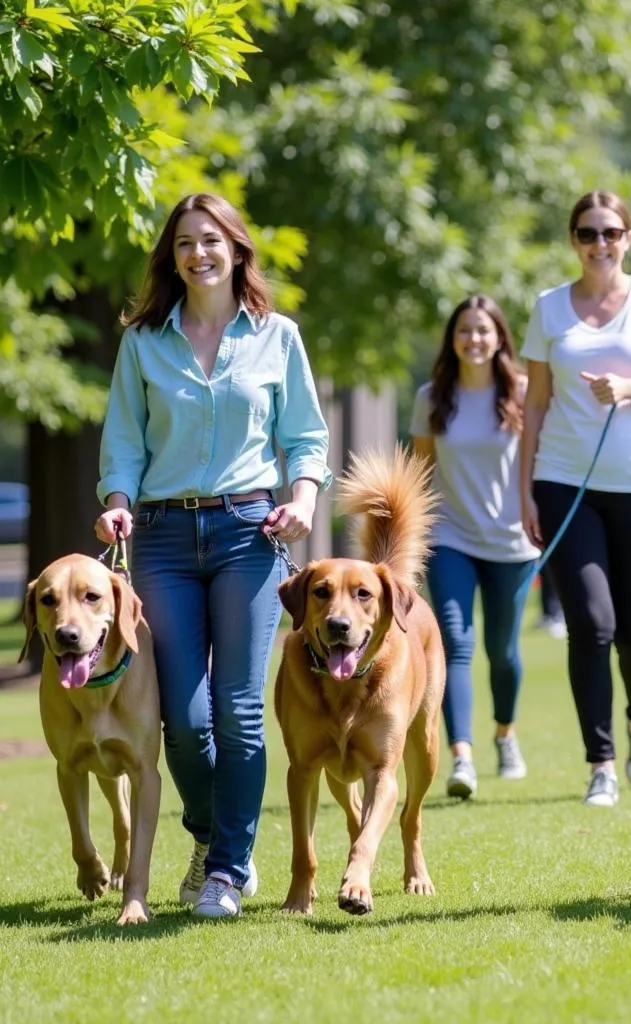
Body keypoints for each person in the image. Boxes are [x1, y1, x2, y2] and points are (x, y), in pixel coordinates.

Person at [94, 193, 333, 919]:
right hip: (161, 538)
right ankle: (212, 832)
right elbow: (125, 442)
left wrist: (304, 500)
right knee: (186, 718)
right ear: (173, 257)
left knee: (237, 708)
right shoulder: (143, 341)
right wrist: (116, 500)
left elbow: (306, 439)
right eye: (184, 243)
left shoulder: (276, 336)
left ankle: (227, 869)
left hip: (249, 532)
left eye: (211, 240)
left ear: (236, 250)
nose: (198, 253)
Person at [520, 190, 631, 808]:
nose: (600, 243)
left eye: (611, 232)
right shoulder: (547, 308)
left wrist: (630, 387)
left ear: (628, 238)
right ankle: (601, 763)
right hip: (565, 482)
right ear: (573, 239)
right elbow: (535, 404)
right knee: (590, 627)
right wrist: (525, 492)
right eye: (588, 233)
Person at [410, 294, 539, 799]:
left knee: (502, 651)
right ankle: (462, 756)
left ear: (500, 337)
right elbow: (420, 473)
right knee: (455, 645)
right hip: (451, 538)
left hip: (513, 541)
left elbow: (542, 461)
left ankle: (504, 733)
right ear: (452, 339)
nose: (474, 339)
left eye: (483, 330)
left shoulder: (525, 393)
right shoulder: (431, 397)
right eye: (464, 331)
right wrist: (416, 539)